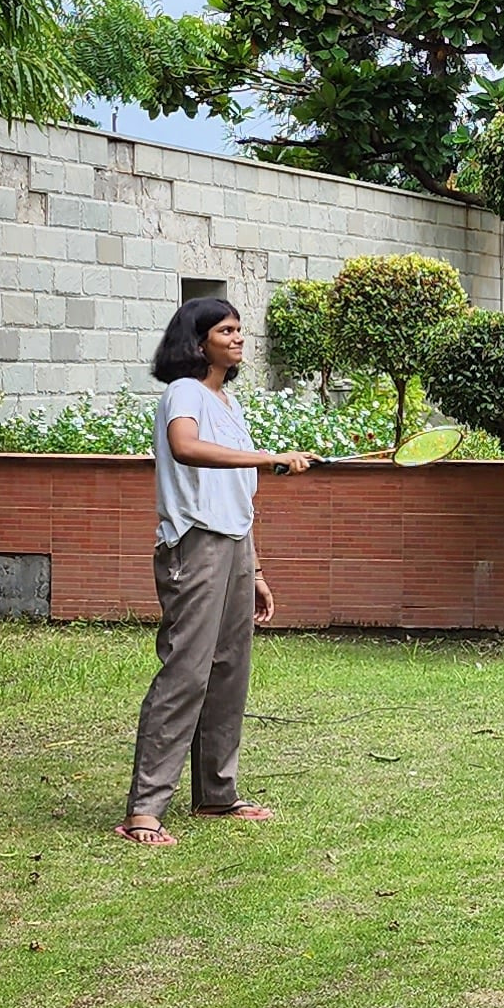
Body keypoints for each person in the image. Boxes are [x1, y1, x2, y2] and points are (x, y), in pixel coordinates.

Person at [124, 295, 317, 845]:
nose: (238, 339)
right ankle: (144, 809)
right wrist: (268, 458)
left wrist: (254, 569)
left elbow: (236, 492)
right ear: (198, 340)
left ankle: (216, 794)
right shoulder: (184, 393)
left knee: (230, 671)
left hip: (233, 546)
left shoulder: (227, 403)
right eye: (226, 330)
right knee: (186, 671)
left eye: (239, 330)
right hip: (194, 545)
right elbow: (186, 449)